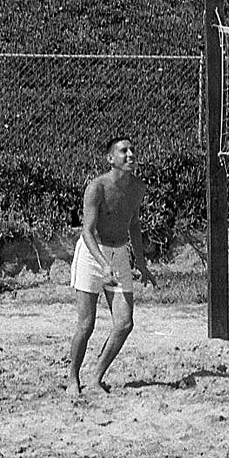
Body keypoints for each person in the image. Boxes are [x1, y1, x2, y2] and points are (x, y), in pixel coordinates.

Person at [66, 135, 152, 394]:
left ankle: (96, 377)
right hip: (93, 254)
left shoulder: (138, 187)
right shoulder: (97, 187)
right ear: (110, 158)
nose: (130, 155)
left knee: (125, 323)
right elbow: (87, 232)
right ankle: (72, 378)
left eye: (132, 150)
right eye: (124, 151)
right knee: (86, 323)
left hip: (119, 252)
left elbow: (134, 225)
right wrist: (103, 264)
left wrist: (143, 264)